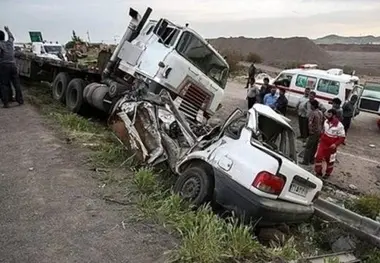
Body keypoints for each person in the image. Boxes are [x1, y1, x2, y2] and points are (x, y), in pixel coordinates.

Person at [314, 108, 345, 179]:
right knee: (318, 157)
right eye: (327, 114)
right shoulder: (326, 122)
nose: (327, 115)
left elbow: (342, 137)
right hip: (323, 143)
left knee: (330, 160)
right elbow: (324, 131)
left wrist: (335, 144)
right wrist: (321, 138)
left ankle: (328, 173)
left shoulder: (340, 126)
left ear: (334, 116)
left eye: (329, 114)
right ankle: (318, 172)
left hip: (332, 146)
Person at [0, 26, 23, 108]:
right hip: (13, 65)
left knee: (4, 84)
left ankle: (6, 102)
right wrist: (8, 30)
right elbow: (11, 37)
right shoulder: (9, 43)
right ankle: (20, 100)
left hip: (4, 66)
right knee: (16, 83)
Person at [300, 100, 323, 165]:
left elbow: (310, 123)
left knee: (308, 147)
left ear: (313, 106)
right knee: (314, 147)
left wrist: (310, 131)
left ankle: (306, 161)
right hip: (319, 131)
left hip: (314, 132)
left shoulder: (313, 113)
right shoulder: (320, 112)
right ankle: (311, 160)